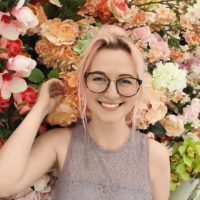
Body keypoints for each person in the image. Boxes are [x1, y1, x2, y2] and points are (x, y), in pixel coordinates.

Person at [0, 25, 170, 200]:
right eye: (98, 78)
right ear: (82, 83)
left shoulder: (155, 157)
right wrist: (40, 109)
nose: (111, 93)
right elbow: (3, 185)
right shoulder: (60, 143)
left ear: (139, 89)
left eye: (125, 81)